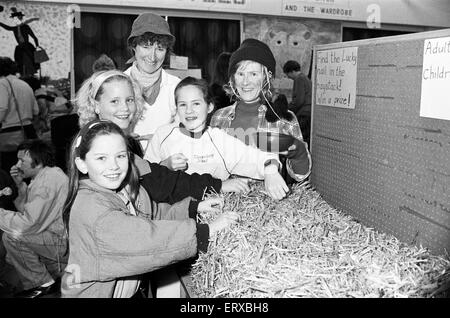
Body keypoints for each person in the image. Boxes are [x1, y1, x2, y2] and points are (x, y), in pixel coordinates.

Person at [60, 120, 239, 297]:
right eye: (101, 158)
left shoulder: (122, 190)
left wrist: (193, 208)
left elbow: (153, 214)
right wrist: (204, 232)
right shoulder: (91, 209)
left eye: (120, 156)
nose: (113, 166)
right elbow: (146, 238)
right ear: (82, 164)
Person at [74, 69, 251, 199]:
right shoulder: (97, 142)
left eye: (129, 100)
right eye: (114, 101)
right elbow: (159, 182)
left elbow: (155, 178)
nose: (125, 108)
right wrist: (218, 186)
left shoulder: (122, 141)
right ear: (95, 105)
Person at [146, 76, 289, 200]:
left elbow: (259, 157)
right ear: (176, 108)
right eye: (183, 105)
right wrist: (165, 166)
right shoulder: (163, 135)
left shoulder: (220, 140)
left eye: (196, 103)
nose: (189, 110)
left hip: (210, 209)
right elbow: (144, 175)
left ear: (209, 107)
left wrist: (271, 171)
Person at [210, 39, 312, 185]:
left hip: (266, 203)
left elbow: (300, 175)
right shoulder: (219, 117)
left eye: (253, 74)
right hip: (224, 201)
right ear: (233, 78)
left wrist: (298, 152)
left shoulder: (282, 119)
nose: (246, 82)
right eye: (240, 74)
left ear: (266, 78)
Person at [0, 139, 68, 298]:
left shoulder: (48, 181)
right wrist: (20, 185)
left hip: (61, 243)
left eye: (22, 160)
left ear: (38, 163)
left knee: (12, 237)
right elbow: (29, 212)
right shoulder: (45, 177)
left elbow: (28, 224)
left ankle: (41, 284)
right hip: (56, 238)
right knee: (11, 249)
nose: (17, 165)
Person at [124, 12, 181, 151]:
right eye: (146, 47)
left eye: (160, 48)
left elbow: (187, 132)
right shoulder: (117, 84)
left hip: (167, 165)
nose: (152, 56)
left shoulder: (177, 87)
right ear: (133, 46)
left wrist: (165, 140)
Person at [0, 57, 39, 172]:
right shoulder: (24, 84)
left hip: (11, 133)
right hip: (29, 131)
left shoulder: (2, 83)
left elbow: (2, 107)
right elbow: (35, 110)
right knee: (29, 168)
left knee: (11, 170)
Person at [0, 8, 40, 76]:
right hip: (20, 48)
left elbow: (35, 38)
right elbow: (7, 27)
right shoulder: (15, 28)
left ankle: (29, 75)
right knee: (20, 63)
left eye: (17, 18)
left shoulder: (26, 27)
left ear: (20, 19)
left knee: (29, 62)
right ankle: (23, 75)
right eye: (15, 19)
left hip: (27, 47)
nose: (15, 20)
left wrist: (37, 47)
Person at [282, 60, 312, 147]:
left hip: (303, 113)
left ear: (292, 71)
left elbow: (299, 100)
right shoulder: (305, 78)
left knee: (300, 137)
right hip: (308, 112)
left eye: (288, 74)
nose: (288, 77)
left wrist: (287, 110)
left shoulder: (299, 79)